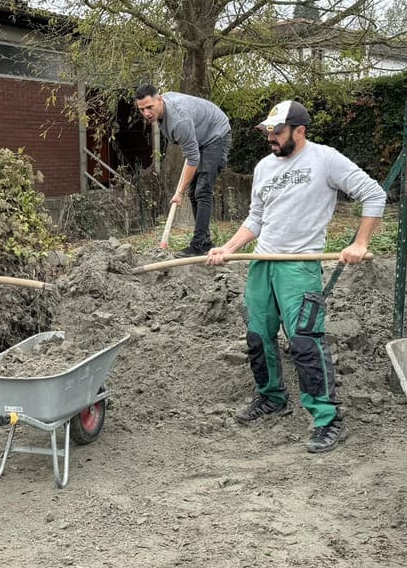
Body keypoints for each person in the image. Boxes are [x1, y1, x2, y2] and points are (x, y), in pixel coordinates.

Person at [205, 100, 385, 453]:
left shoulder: (325, 159)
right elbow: (256, 218)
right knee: (258, 336)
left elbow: (374, 194)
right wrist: (228, 247)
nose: (271, 138)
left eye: (278, 131)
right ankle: (272, 397)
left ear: (300, 131)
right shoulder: (263, 167)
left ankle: (328, 418)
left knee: (305, 341)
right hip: (263, 263)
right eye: (268, 132)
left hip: (299, 265)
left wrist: (360, 242)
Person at [133, 85, 232, 257]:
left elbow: (193, 158)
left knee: (202, 191)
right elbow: (191, 152)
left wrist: (179, 192)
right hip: (200, 136)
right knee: (194, 192)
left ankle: (200, 244)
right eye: (142, 109)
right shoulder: (166, 114)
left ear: (160, 99)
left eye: (150, 107)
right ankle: (205, 242)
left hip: (216, 135)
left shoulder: (179, 122)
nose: (146, 113)